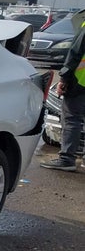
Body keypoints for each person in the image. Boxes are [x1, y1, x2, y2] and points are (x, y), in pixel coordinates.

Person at [41, 9, 85, 172]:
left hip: (81, 81)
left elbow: (75, 52)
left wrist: (64, 78)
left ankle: (67, 159)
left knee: (72, 119)